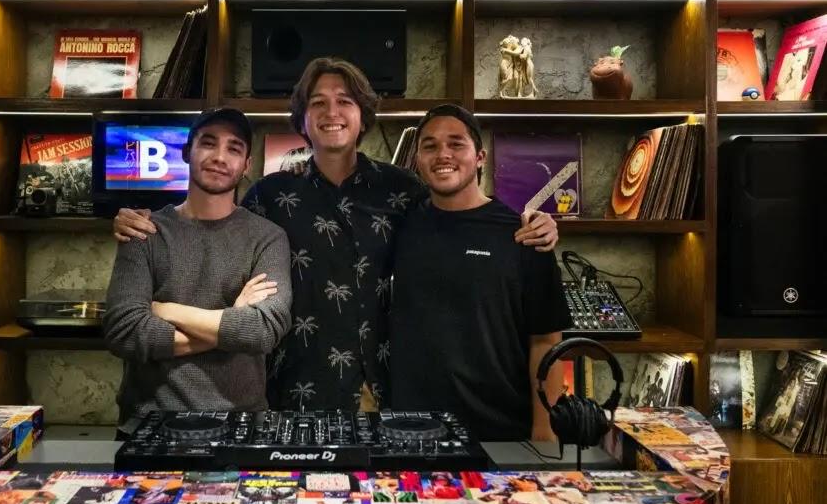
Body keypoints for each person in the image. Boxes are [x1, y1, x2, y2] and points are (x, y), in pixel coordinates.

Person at [113, 58, 558, 411]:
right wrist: (137, 219)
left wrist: (531, 224)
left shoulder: (401, 190)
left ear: (363, 116)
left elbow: (461, 212)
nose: (331, 112)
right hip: (295, 390)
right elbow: (212, 226)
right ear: (302, 120)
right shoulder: (270, 195)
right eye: (318, 103)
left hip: (393, 390)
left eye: (344, 101)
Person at [103, 107, 292, 437]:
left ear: (246, 165)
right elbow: (124, 332)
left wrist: (166, 310)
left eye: (234, 148)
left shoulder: (268, 237)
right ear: (187, 152)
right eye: (208, 143)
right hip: (149, 423)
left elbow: (264, 329)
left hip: (241, 424)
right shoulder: (143, 231)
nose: (220, 156)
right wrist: (232, 320)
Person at [389, 104, 572, 442]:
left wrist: (545, 431)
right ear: (417, 159)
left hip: (500, 433)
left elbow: (546, 340)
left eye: (456, 144)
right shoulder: (399, 225)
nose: (443, 154)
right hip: (412, 431)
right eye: (429, 145)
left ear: (480, 157)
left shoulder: (522, 234)